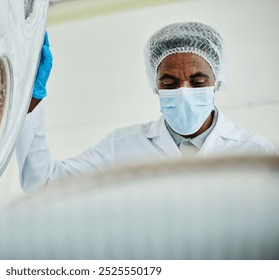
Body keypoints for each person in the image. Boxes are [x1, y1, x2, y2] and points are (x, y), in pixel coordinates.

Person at [16, 22, 278, 192]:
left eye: (198, 81)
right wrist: (31, 100)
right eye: (170, 82)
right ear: (155, 86)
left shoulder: (256, 153)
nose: (184, 91)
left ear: (217, 81)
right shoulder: (123, 146)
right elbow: (43, 185)